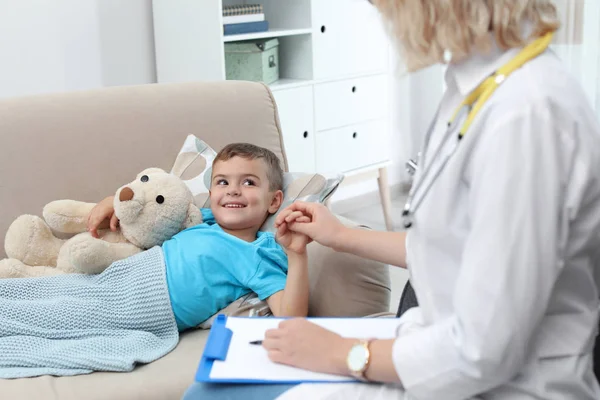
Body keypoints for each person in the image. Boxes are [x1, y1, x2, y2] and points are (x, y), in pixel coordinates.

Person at [183, 0, 600, 399]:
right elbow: (451, 251)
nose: (377, 8)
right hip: (435, 358)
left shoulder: (527, 116)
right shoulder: (470, 86)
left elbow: (481, 352)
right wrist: (340, 234)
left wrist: (340, 352)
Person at [87, 143, 311, 331]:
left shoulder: (257, 254)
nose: (233, 190)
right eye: (223, 182)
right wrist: (112, 203)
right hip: (128, 274)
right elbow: (150, 213)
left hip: (149, 306)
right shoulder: (198, 218)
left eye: (248, 182)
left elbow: (290, 319)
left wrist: (297, 254)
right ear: (212, 194)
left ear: (274, 201)